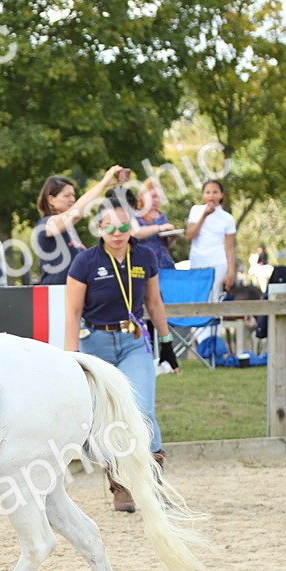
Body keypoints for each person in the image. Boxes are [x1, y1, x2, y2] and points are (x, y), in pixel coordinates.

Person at [64, 196, 175, 513]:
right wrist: (73, 355)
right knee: (107, 418)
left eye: (124, 226)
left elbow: (154, 303)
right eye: (109, 227)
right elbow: (72, 311)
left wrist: (166, 342)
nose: (117, 232)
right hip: (95, 343)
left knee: (143, 409)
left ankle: (153, 484)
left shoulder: (146, 257)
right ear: (98, 228)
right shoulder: (85, 262)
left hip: (133, 340)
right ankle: (120, 487)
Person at [34, 167, 126, 285]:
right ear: (51, 199)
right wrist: (103, 183)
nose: (72, 199)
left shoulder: (69, 229)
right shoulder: (45, 224)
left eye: (73, 195)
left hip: (73, 292)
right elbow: (75, 214)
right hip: (55, 294)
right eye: (67, 196)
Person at [185, 180, 237, 300]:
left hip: (218, 262)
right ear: (203, 195)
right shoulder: (196, 210)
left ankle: (215, 319)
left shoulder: (227, 218)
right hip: (198, 260)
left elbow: (230, 247)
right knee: (197, 295)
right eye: (207, 192)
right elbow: (190, 234)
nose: (211, 195)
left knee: (214, 296)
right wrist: (204, 215)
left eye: (215, 192)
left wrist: (230, 272)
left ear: (221, 195)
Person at [131, 178, 176, 271]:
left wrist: (173, 237)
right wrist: (159, 228)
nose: (156, 200)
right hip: (144, 265)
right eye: (153, 196)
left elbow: (165, 245)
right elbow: (136, 233)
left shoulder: (162, 216)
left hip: (164, 264)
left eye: (159, 197)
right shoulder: (135, 215)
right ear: (142, 196)